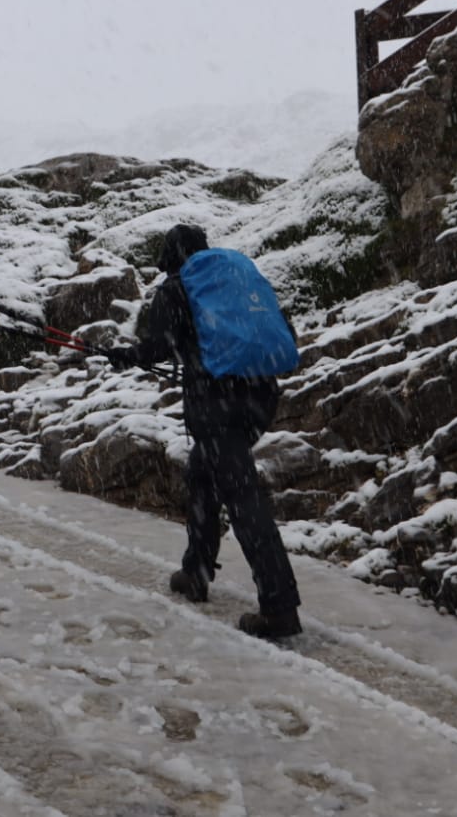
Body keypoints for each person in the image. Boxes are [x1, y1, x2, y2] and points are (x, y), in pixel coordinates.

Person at [105, 224, 304, 639]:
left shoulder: (178, 288)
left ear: (171, 258)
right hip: (260, 396)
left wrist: (126, 355)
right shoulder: (231, 279)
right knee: (202, 472)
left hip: (217, 404)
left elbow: (158, 345)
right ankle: (196, 570)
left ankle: (279, 606)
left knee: (244, 498)